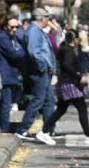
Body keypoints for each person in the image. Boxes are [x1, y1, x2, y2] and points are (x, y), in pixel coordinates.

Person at [47, 26, 89, 143]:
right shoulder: (69, 51)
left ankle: (44, 131)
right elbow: (67, 66)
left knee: (61, 109)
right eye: (78, 39)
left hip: (66, 82)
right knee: (81, 108)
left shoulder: (64, 48)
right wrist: (79, 76)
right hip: (70, 83)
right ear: (74, 40)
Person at [19, 10, 59, 144]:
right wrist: (42, 66)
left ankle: (48, 130)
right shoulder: (34, 31)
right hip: (39, 71)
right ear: (42, 18)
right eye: (48, 17)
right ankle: (22, 130)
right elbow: (34, 51)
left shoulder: (38, 30)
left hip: (44, 71)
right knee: (38, 100)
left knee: (49, 101)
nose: (49, 20)